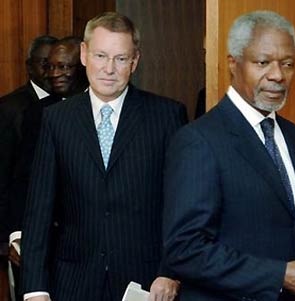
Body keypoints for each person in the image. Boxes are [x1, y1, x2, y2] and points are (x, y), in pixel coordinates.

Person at [163, 10, 295, 301]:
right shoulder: (199, 140)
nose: (278, 75)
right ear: (233, 63)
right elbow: (185, 249)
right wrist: (280, 276)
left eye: (288, 64)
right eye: (263, 62)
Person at [20, 11, 187, 301]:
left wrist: (171, 271)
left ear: (134, 61)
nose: (109, 68)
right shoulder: (56, 120)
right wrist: (35, 289)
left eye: (120, 59)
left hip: (147, 283)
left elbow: (182, 206)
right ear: (84, 54)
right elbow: (39, 211)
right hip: (72, 282)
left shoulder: (167, 116)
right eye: (100, 56)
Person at [0, 35, 58, 301]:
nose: (51, 71)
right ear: (29, 66)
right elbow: (5, 177)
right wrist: (7, 238)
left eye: (56, 64)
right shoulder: (11, 108)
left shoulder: (66, 105)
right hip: (20, 235)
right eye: (44, 64)